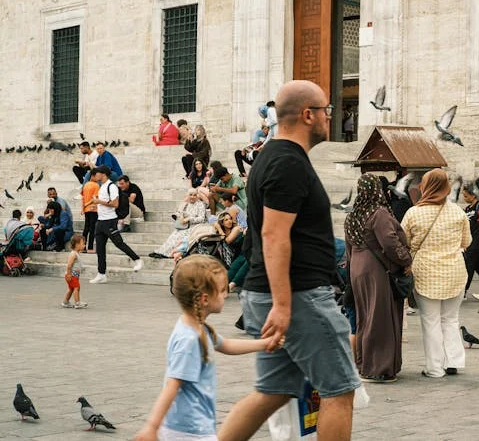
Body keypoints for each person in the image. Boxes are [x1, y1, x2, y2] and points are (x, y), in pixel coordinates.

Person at [219, 80, 359, 441]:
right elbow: (273, 235)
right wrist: (282, 305)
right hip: (297, 296)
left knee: (274, 391)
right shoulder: (287, 162)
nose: (331, 117)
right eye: (327, 110)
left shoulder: (272, 156)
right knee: (339, 390)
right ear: (308, 115)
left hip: (275, 292)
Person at [134, 255, 278, 441]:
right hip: (187, 431)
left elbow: (226, 345)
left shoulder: (199, 328)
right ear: (204, 299)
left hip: (193, 426)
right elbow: (172, 385)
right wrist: (151, 427)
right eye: (221, 290)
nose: (226, 294)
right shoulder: (189, 339)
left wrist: (264, 344)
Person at [401, 168, 471, 378]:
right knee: (450, 319)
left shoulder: (414, 213)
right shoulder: (458, 212)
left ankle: (434, 368)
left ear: (427, 186)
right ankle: (454, 362)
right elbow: (467, 242)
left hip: (426, 274)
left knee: (430, 321)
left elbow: (403, 241)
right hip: (455, 273)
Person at [344, 173, 412, 383]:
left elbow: (348, 247)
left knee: (365, 316)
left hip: (357, 267)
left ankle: (364, 363)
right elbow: (389, 243)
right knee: (380, 317)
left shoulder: (353, 214)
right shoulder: (378, 213)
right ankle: (379, 367)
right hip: (375, 270)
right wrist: (405, 259)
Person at [88, 166, 143, 284]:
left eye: (96, 173)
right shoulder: (101, 186)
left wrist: (99, 202)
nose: (94, 176)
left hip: (110, 221)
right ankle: (101, 274)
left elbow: (115, 204)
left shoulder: (111, 186)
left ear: (103, 174)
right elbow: (105, 204)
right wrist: (97, 206)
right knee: (100, 249)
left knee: (119, 243)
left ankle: (137, 259)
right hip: (100, 221)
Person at [149, 189, 208, 259]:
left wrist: (189, 219)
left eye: (194, 195)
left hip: (195, 226)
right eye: (191, 195)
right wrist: (179, 216)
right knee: (173, 236)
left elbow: (201, 219)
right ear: (188, 196)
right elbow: (179, 213)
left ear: (197, 196)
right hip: (185, 226)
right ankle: (161, 252)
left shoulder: (200, 204)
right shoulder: (186, 204)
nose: (192, 197)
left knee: (179, 236)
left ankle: (169, 253)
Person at [61, 234, 87, 309]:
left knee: (71, 289)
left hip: (74, 275)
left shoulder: (76, 254)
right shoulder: (73, 254)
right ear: (77, 245)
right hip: (72, 275)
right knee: (76, 288)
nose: (84, 245)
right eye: (83, 244)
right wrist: (69, 274)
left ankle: (65, 302)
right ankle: (77, 303)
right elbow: (69, 265)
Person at [82, 171, 100, 252]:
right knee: (92, 229)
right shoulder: (96, 185)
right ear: (93, 176)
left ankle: (82, 247)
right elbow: (95, 199)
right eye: (97, 176)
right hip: (93, 209)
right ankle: (90, 247)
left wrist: (83, 207)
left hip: (86, 210)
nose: (98, 178)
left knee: (86, 228)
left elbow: (82, 197)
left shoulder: (85, 185)